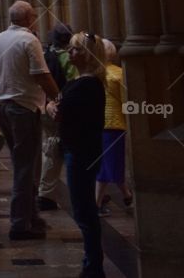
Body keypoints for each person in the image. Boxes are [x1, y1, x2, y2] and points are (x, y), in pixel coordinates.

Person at [0, 1, 59, 241]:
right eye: (34, 16)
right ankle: (19, 223)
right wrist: (59, 96)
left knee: (25, 164)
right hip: (23, 107)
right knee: (26, 167)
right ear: (27, 19)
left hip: (1, 107)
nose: (35, 20)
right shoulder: (29, 40)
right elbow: (41, 74)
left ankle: (32, 217)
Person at [50, 32, 107, 278]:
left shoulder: (87, 84)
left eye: (74, 50)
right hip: (80, 149)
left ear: (86, 55)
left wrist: (52, 107)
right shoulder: (83, 82)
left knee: (84, 211)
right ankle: (91, 262)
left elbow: (62, 111)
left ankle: (93, 266)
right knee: (84, 209)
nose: (70, 53)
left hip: (82, 152)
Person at [38, 23, 77, 210]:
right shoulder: (69, 59)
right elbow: (73, 84)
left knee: (50, 146)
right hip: (61, 108)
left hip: (45, 106)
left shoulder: (44, 56)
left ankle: (45, 191)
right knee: (58, 149)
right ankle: (45, 193)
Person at [95, 39, 131, 214]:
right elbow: (126, 102)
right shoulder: (118, 74)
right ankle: (96, 203)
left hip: (96, 123)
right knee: (108, 163)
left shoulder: (93, 74)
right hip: (114, 124)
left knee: (111, 162)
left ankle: (126, 195)